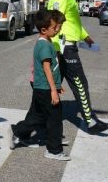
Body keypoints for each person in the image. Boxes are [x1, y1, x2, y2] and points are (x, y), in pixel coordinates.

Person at [47, 0, 108, 135]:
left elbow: (74, 24)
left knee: (48, 90)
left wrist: (86, 37)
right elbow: (52, 23)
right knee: (79, 83)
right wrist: (55, 50)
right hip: (63, 48)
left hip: (68, 46)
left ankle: (23, 129)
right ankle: (90, 121)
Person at [8, 10, 71, 161]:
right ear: (44, 30)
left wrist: (57, 85)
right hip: (45, 88)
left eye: (59, 26)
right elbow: (47, 69)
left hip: (42, 87)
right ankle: (54, 150)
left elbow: (53, 70)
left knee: (37, 116)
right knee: (54, 118)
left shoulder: (46, 41)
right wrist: (53, 91)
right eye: (55, 27)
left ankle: (17, 132)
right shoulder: (44, 46)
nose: (58, 29)